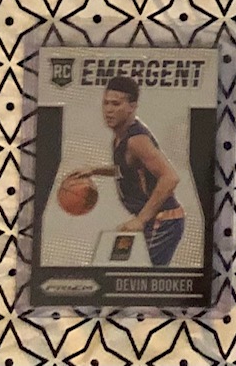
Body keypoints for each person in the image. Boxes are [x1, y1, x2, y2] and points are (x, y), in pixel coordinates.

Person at [66, 75, 186, 267]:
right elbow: (129, 170)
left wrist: (140, 220)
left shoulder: (136, 140)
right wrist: (94, 170)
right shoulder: (120, 137)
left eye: (116, 104)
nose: (108, 110)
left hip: (163, 220)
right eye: (106, 103)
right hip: (152, 219)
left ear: (132, 106)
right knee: (123, 270)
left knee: (140, 275)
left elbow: (170, 178)